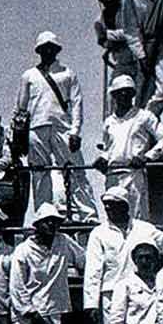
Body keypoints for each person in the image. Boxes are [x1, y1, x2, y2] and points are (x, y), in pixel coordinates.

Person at [16, 31, 98, 222]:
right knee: (39, 173)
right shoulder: (29, 75)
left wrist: (75, 131)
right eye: (44, 48)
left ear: (56, 50)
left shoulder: (67, 73)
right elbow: (20, 108)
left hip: (63, 127)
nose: (48, 51)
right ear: (39, 51)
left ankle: (88, 215)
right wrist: (18, 137)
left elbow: (77, 103)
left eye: (51, 48)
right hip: (36, 127)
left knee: (75, 169)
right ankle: (43, 214)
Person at [83, 185, 163, 324]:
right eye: (106, 205)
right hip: (111, 293)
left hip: (141, 290)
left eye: (113, 205)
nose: (108, 209)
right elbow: (93, 270)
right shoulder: (99, 233)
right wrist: (91, 304)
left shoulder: (145, 228)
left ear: (125, 206)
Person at [93, 75, 163, 220]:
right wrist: (102, 158)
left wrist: (147, 157)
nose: (124, 95)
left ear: (133, 94)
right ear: (114, 95)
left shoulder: (144, 116)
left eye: (127, 92)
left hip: (133, 174)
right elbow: (108, 148)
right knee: (113, 218)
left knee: (136, 218)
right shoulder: (109, 122)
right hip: (112, 175)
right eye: (120, 92)